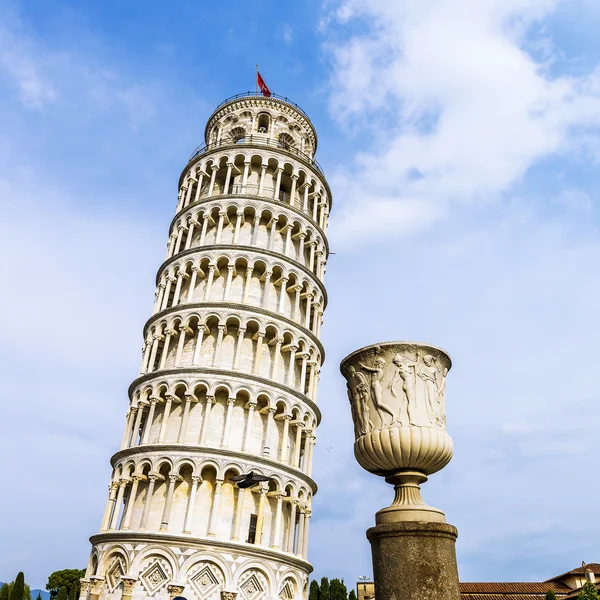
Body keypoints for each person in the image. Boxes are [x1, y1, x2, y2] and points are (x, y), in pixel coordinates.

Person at [359, 357, 395, 426]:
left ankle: (393, 414)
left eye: (383, 365)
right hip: (373, 387)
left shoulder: (379, 370)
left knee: (379, 403)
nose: (382, 366)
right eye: (381, 364)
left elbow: (370, 369)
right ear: (378, 363)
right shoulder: (376, 370)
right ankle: (383, 421)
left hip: (376, 387)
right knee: (376, 406)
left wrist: (363, 367)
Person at [388, 353, 418, 425]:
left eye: (397, 362)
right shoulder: (400, 369)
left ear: (401, 360)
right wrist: (391, 385)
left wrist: (418, 356)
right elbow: (395, 379)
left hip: (406, 385)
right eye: (395, 363)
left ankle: (400, 417)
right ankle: (411, 420)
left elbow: (415, 363)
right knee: (410, 402)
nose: (397, 364)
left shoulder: (404, 366)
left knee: (405, 402)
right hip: (408, 385)